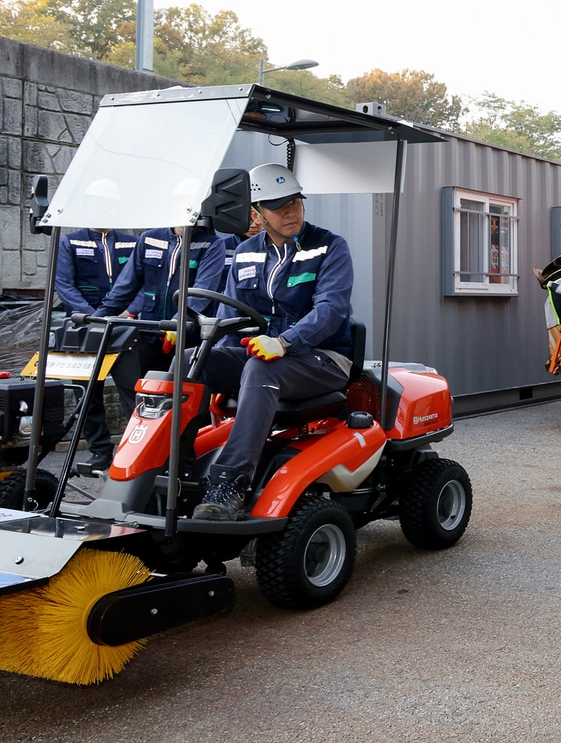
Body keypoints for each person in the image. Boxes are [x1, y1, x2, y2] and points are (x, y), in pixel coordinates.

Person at [192, 162, 355, 520]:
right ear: (257, 213)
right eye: (278, 206)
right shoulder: (247, 252)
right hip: (265, 358)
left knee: (260, 367)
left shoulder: (329, 247)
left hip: (322, 359)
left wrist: (284, 342)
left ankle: (230, 483)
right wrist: (207, 345)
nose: (290, 211)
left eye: (295, 202)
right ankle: (173, 466)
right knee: (191, 361)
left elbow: (331, 309)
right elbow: (230, 317)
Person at [96, 224, 228, 413]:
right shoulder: (149, 238)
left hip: (189, 340)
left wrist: (178, 322)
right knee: (145, 397)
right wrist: (97, 318)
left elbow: (201, 292)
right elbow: (125, 287)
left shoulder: (212, 244)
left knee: (185, 401)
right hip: (150, 334)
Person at [53, 227, 137, 469]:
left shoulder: (132, 243)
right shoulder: (70, 242)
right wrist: (95, 317)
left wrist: (130, 311)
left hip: (125, 326)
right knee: (87, 397)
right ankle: (100, 451)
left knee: (134, 393)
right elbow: (64, 285)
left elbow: (146, 281)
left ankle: (136, 451)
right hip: (84, 328)